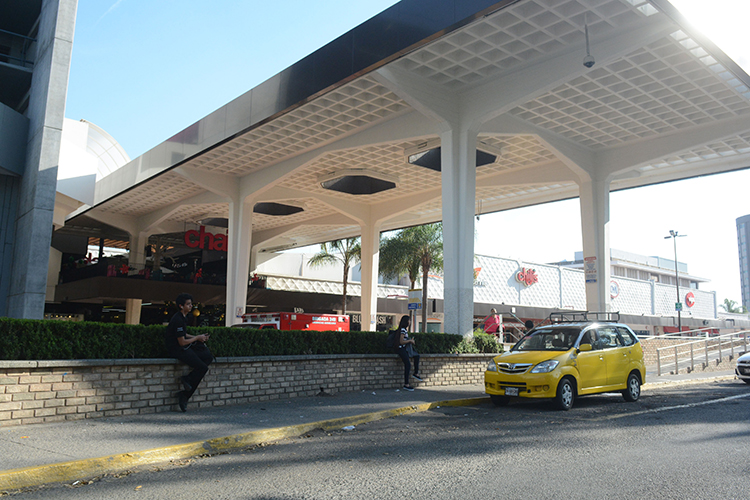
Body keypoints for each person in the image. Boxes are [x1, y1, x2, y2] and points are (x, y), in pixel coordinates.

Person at [165, 293, 213, 412]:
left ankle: (189, 379)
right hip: (178, 350)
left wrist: (199, 337)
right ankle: (185, 393)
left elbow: (183, 334)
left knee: (208, 357)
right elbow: (182, 342)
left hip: (183, 347)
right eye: (188, 304)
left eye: (191, 304)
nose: (191, 306)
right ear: (181, 306)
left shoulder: (183, 318)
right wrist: (196, 338)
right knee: (202, 368)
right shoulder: (178, 319)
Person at [396, 315, 422, 391]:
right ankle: (406, 384)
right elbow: (401, 342)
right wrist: (410, 341)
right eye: (409, 320)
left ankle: (416, 373)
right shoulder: (403, 330)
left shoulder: (403, 330)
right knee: (407, 364)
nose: (410, 322)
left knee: (416, 356)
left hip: (404, 349)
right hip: (401, 349)